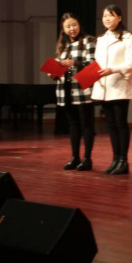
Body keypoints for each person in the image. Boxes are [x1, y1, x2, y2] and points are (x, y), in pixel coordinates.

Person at [92, 5, 132, 175]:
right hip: (104, 86)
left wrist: (112, 69)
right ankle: (115, 159)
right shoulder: (101, 39)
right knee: (111, 125)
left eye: (111, 15)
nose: (107, 19)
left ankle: (123, 161)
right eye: (104, 16)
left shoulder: (127, 37)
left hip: (120, 85)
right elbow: (97, 62)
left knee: (120, 123)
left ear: (119, 18)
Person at [52, 13, 97, 172]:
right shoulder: (62, 45)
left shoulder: (88, 40)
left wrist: (74, 63)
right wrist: (53, 73)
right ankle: (74, 157)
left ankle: (87, 159)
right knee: (73, 124)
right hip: (65, 90)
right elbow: (59, 66)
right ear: (63, 29)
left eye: (74, 25)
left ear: (79, 25)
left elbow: (93, 63)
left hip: (83, 89)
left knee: (87, 124)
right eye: (68, 26)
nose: (72, 29)